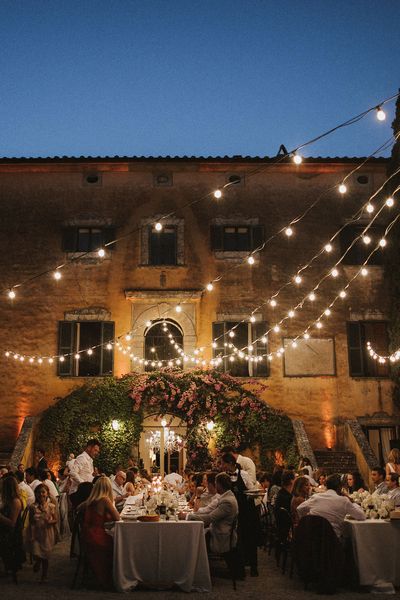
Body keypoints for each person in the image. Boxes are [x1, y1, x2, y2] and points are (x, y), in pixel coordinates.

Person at [297, 473, 365, 539]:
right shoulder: (344, 500)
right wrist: (352, 502)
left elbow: (299, 509)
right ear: (340, 487)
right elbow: (361, 516)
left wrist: (307, 521)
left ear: (326, 486)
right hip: (333, 541)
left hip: (313, 539)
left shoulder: (315, 497)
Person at [81, 476, 121, 590]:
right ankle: (111, 577)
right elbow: (118, 518)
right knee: (119, 545)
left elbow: (79, 508)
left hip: (87, 535)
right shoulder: (104, 500)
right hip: (97, 536)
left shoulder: (91, 500)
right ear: (108, 488)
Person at [187, 472, 238, 553]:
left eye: (215, 483)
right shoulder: (226, 496)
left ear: (220, 485)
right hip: (215, 530)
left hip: (219, 536)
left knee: (190, 539)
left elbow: (209, 518)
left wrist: (188, 517)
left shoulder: (226, 501)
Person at [27, 483, 58, 583]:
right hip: (36, 532)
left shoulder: (51, 507)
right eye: (39, 492)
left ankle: (44, 575)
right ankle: (38, 561)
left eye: (43, 492)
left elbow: (56, 520)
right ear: (36, 494)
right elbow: (30, 520)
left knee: (46, 555)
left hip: (47, 534)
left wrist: (50, 522)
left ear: (47, 494)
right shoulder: (32, 507)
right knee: (36, 551)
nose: (41, 494)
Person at [0, 474, 25, 577]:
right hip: (5, 531)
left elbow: (12, 523)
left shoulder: (15, 502)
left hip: (11, 535)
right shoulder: (8, 500)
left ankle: (8, 565)